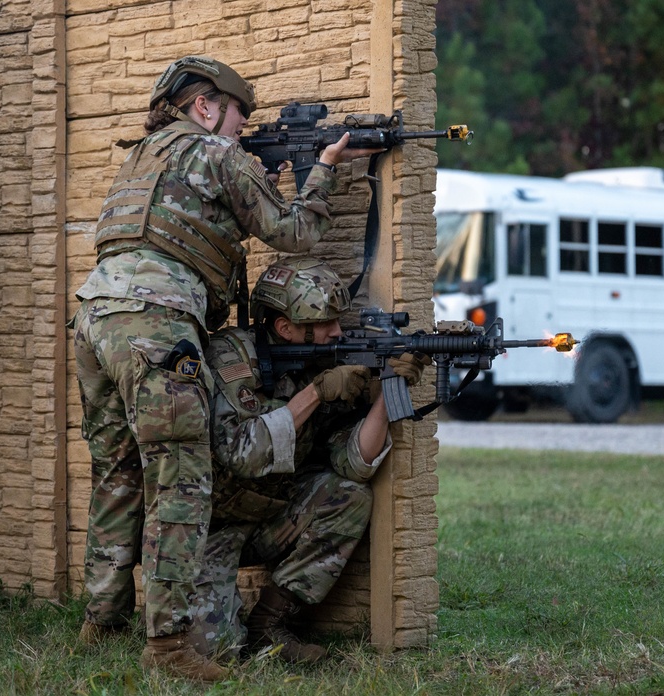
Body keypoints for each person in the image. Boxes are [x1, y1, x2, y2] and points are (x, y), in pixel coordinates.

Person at [72, 55, 380, 682]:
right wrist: (321, 170)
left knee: (118, 472)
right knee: (181, 482)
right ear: (206, 106)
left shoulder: (143, 157)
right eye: (241, 114)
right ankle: (168, 651)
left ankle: (100, 623)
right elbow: (294, 234)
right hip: (157, 323)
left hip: (96, 316)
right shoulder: (216, 154)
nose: (245, 127)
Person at [186, 256, 429, 663]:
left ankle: (268, 626)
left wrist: (389, 390)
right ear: (285, 328)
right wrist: (316, 393)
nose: (338, 332)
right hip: (211, 528)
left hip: (273, 516)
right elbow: (242, 454)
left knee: (349, 496)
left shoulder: (322, 362)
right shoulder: (231, 360)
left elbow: (353, 464)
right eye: (326, 324)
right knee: (215, 652)